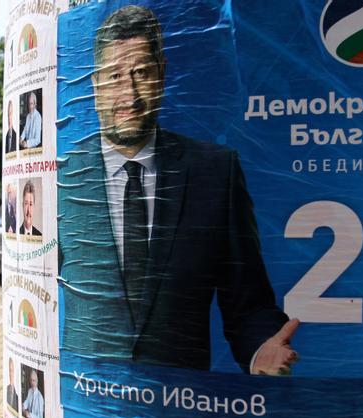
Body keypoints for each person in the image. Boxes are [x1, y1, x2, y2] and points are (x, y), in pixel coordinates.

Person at [58, 5, 299, 374]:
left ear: (163, 74)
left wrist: (260, 348)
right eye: (114, 76)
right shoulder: (61, 178)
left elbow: (247, 302)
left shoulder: (215, 171)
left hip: (182, 406)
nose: (129, 93)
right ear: (94, 84)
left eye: (141, 73)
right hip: (88, 399)